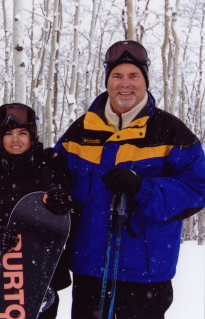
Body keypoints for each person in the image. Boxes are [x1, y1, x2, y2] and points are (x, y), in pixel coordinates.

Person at [54, 40, 205, 318]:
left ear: (145, 81)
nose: (126, 84)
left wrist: (143, 188)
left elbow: (198, 188)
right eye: (117, 76)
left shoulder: (170, 131)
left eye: (134, 75)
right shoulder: (81, 130)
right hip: (90, 271)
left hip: (145, 274)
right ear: (107, 82)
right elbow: (52, 176)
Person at [0, 103, 73, 318]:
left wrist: (63, 204)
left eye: (22, 133)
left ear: (32, 136)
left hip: (45, 267)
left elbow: (71, 211)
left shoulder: (51, 166)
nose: (15, 139)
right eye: (9, 133)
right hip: (5, 272)